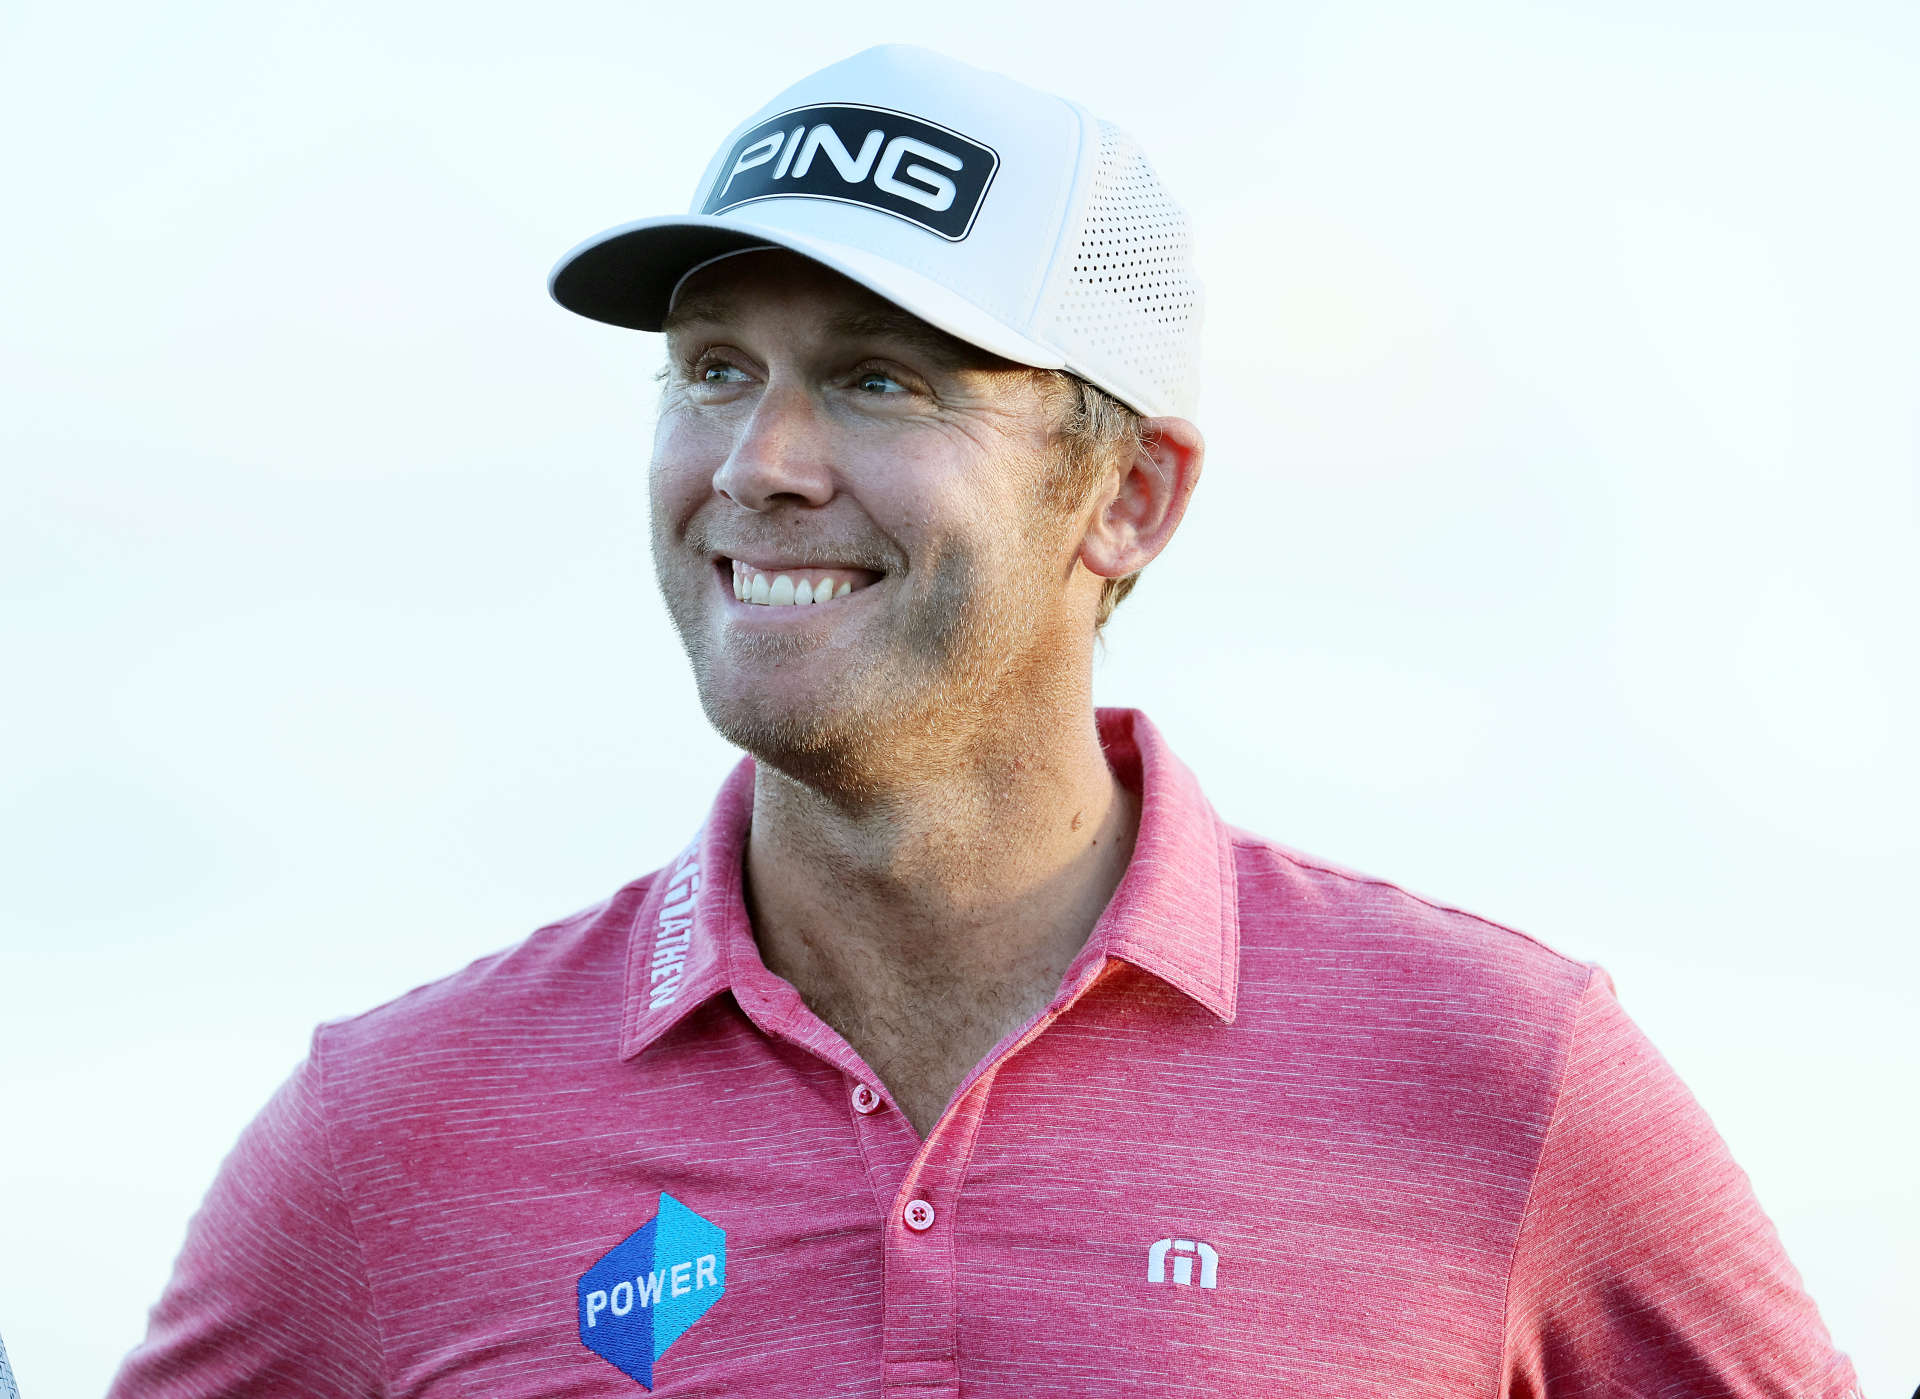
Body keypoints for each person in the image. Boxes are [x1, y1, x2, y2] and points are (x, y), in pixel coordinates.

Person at [111, 45, 1860, 1398]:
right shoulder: (393, 1131)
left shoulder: (1501, 1077)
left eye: (880, 378)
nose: (759, 464)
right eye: (716, 369)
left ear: (1131, 500)